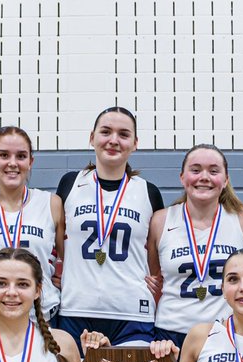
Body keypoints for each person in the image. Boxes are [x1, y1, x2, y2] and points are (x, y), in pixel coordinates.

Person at [56, 107, 165, 348]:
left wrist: (157, 280)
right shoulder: (70, 183)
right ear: (92, 137)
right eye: (106, 132)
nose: (113, 140)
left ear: (135, 143)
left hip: (132, 312)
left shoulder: (148, 192)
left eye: (123, 134)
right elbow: (57, 241)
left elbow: (157, 251)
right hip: (77, 309)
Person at [148, 145, 243, 348]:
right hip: (170, 332)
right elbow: (154, 277)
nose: (204, 177)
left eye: (214, 171)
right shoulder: (161, 220)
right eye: (195, 170)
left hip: (224, 331)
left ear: (225, 180)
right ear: (182, 177)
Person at [0, 126, 64, 324]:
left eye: (21, 156)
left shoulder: (51, 203)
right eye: (4, 155)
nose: (12, 163)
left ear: (30, 162)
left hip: (40, 313)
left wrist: (57, 277)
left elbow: (68, 259)